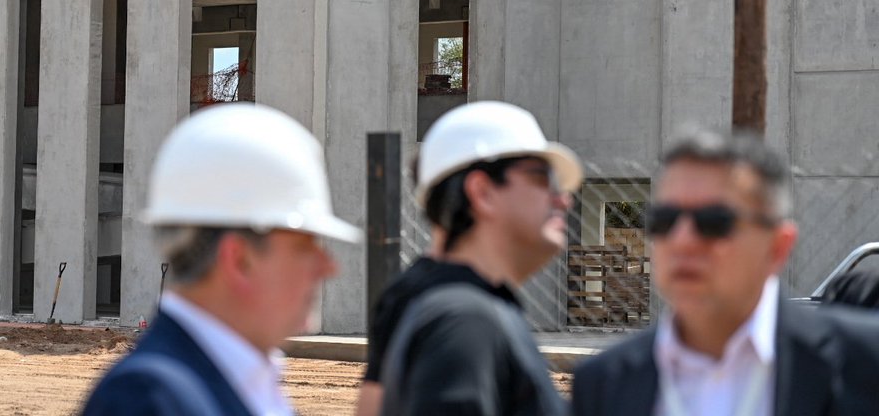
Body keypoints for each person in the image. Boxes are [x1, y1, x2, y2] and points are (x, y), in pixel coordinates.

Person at [572, 129, 879, 416]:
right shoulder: (601, 384)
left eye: (713, 222)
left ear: (777, 247)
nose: (682, 240)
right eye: (665, 220)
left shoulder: (865, 364)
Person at [81, 103, 361, 416]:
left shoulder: (241, 380)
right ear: (239, 260)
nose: (328, 266)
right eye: (304, 247)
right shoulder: (149, 400)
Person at [371, 101, 583, 416]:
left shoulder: (412, 297)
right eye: (542, 178)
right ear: (482, 192)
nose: (563, 200)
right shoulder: (467, 320)